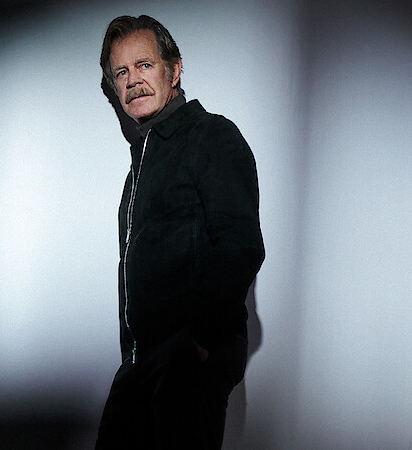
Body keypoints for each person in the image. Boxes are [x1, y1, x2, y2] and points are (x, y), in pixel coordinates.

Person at [95, 15, 265, 450]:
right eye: (121, 72)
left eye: (144, 65)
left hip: (186, 362)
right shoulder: (138, 172)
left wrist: (199, 343)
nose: (132, 80)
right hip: (138, 364)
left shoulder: (212, 136)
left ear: (175, 68)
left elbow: (241, 245)